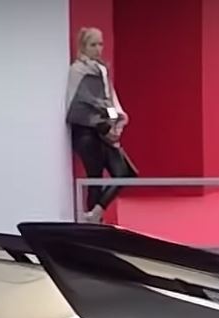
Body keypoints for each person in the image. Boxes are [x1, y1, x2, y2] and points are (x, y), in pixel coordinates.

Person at [66, 26, 136, 224]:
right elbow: (76, 104)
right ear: (83, 46)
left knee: (125, 173)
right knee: (94, 176)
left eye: (100, 44)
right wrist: (100, 122)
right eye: (93, 44)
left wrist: (113, 123)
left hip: (104, 129)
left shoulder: (102, 71)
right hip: (86, 132)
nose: (98, 49)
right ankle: (94, 222)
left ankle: (95, 213)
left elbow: (108, 101)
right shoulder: (77, 71)